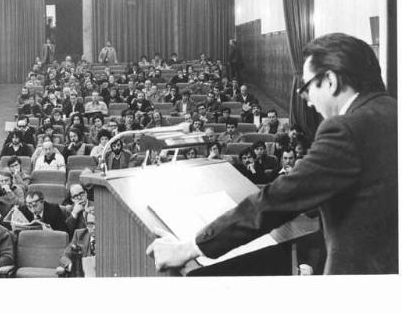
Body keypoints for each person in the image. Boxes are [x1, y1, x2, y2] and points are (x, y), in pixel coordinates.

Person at [146, 33, 398, 275]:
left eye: (308, 88)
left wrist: (189, 247)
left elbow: (279, 199)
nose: (308, 102)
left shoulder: (345, 129)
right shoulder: (392, 112)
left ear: (330, 80)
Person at [57, 212, 96, 277]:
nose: (94, 228)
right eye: (91, 224)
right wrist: (72, 266)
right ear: (86, 224)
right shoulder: (79, 235)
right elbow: (64, 257)